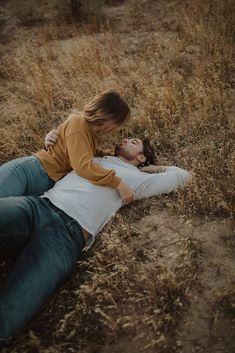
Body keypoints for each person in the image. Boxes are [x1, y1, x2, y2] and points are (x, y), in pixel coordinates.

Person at [0, 137, 192, 338]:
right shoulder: (95, 158)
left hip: (65, 238)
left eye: (133, 141)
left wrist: (147, 168)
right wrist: (51, 136)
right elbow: (65, 143)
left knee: (13, 313)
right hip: (39, 207)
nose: (126, 139)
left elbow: (183, 176)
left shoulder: (140, 181)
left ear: (141, 156)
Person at [0, 90, 134, 204]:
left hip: (43, 179)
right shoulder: (78, 123)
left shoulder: (90, 133)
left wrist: (120, 158)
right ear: (106, 114)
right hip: (28, 173)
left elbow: (89, 154)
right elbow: (82, 166)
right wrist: (118, 183)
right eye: (116, 123)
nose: (115, 128)